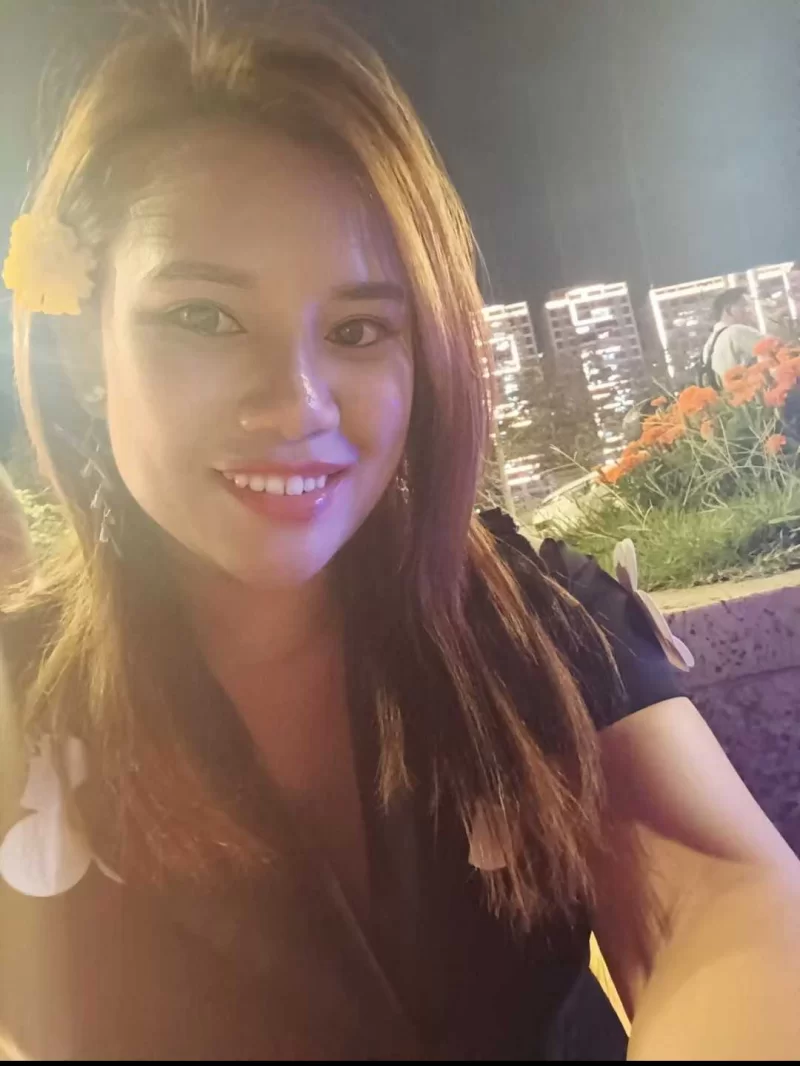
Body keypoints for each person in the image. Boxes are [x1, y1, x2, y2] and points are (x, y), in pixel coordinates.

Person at [1, 3, 799, 1059]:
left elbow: (717, 898)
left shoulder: (531, 618)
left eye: (357, 328)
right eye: (203, 316)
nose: (295, 403)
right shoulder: (21, 697)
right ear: (86, 356)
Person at [699, 286, 764, 387]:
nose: (749, 311)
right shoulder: (737, 331)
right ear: (729, 310)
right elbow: (776, 350)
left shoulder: (709, 344)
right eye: (744, 306)